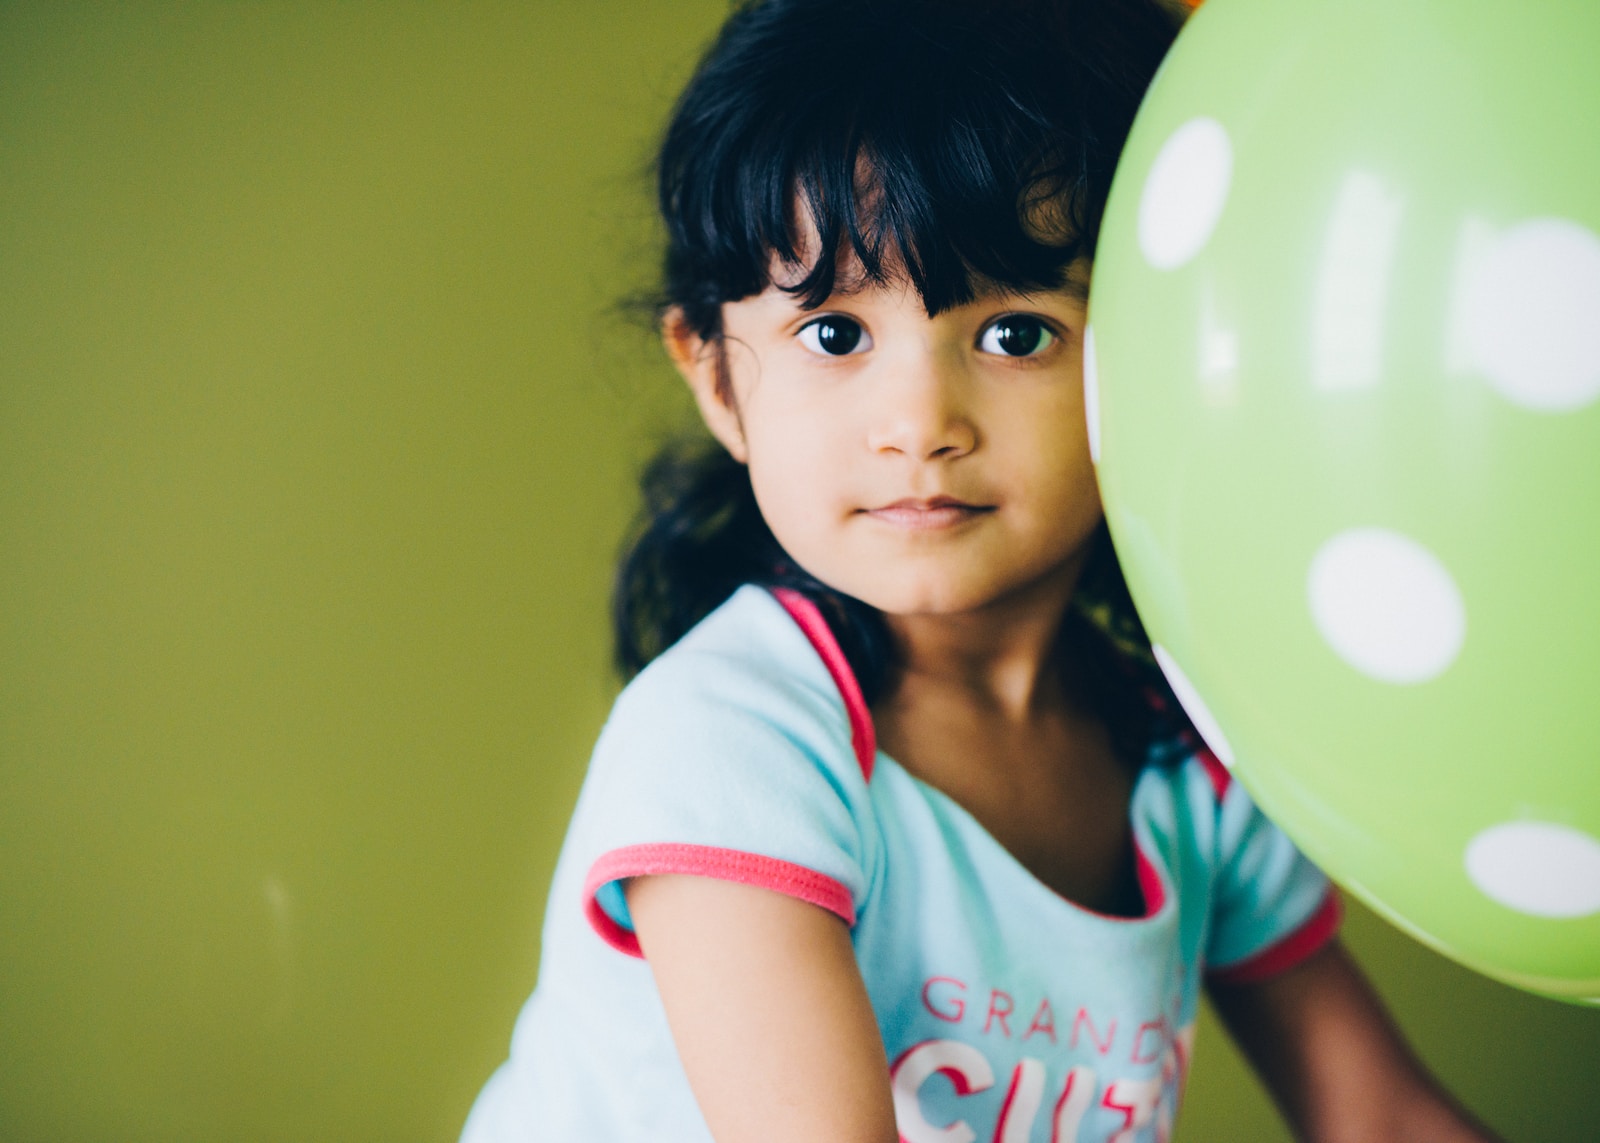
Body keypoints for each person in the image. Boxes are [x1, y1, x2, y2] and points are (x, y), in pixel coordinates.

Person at [463, 0, 1500, 1139]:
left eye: (1014, 334)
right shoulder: (736, 740)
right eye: (835, 334)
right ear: (715, 377)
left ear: (1154, 354)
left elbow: (1382, 1117)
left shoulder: (1181, 758)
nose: (919, 423)